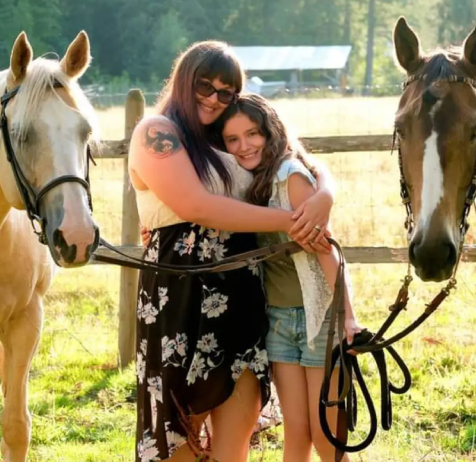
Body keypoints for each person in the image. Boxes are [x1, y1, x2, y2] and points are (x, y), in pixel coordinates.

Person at [126, 40, 337, 462]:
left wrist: (326, 194)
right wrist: (293, 222)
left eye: (226, 92)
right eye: (206, 86)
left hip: (240, 294)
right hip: (179, 297)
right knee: (178, 432)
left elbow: (295, 159)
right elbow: (196, 207)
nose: (215, 99)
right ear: (185, 80)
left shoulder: (228, 138)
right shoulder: (156, 133)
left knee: (236, 427)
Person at [217, 93, 361, 462]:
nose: (244, 146)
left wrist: (347, 316)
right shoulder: (247, 182)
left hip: (319, 318)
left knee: (326, 435)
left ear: (270, 132)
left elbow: (327, 250)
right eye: (232, 139)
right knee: (296, 432)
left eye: (252, 134)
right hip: (279, 321)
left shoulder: (289, 176)